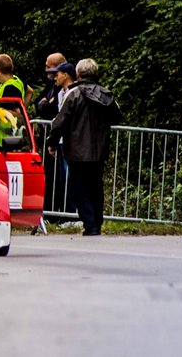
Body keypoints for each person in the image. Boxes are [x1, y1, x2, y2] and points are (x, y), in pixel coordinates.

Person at [47, 59, 122, 236]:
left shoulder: (73, 94)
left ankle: (90, 224)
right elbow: (117, 116)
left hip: (77, 149)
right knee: (96, 186)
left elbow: (60, 121)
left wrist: (52, 141)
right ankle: (96, 221)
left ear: (78, 74)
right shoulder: (105, 94)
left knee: (79, 188)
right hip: (99, 149)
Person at [44, 61, 77, 216]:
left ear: (66, 75)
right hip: (62, 141)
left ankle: (72, 213)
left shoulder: (75, 92)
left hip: (72, 142)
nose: (54, 78)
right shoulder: (60, 93)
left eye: (57, 74)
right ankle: (65, 213)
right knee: (63, 179)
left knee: (71, 179)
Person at [0, 53, 33, 148]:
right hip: (3, 137)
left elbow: (17, 113)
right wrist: (23, 107)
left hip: (4, 139)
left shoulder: (10, 88)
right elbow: (30, 91)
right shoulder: (16, 80)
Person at [35, 52, 67, 120]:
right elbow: (37, 102)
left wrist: (45, 104)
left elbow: (53, 109)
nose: (46, 70)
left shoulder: (65, 87)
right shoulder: (51, 82)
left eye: (48, 67)